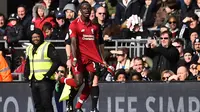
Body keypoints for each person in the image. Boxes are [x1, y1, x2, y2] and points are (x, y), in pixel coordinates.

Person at [57, 1, 105, 112]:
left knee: (91, 81)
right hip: (78, 58)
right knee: (78, 82)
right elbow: (71, 43)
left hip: (91, 59)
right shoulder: (74, 24)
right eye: (84, 8)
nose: (87, 11)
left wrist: (101, 59)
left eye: (89, 9)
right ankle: (62, 81)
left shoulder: (95, 26)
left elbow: (98, 44)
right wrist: (71, 58)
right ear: (79, 11)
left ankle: (80, 106)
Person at [24, 28, 60, 112]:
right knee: (38, 106)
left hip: (45, 81)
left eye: (37, 37)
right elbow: (28, 63)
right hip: (33, 80)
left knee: (46, 104)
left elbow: (57, 61)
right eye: (33, 37)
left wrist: (48, 75)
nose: (35, 39)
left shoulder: (48, 46)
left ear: (41, 37)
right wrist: (27, 75)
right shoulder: (29, 48)